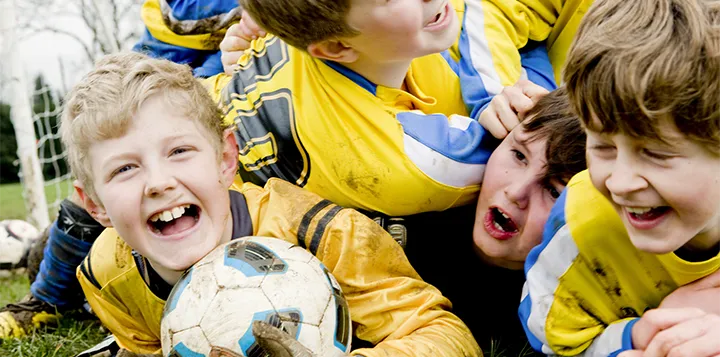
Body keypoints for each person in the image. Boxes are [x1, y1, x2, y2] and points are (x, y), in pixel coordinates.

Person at [62, 52, 482, 357]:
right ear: (94, 204)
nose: (158, 183)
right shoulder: (106, 274)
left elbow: (447, 336)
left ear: (227, 159)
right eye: (124, 170)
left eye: (179, 152)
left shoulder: (325, 234)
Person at [519, 0, 720, 355]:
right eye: (602, 146)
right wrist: (636, 339)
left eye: (656, 153)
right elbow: (553, 335)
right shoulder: (581, 226)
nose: (620, 182)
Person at [404, 87, 586, 356]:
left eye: (553, 190)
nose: (516, 192)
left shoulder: (553, 327)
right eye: (519, 155)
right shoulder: (412, 199)